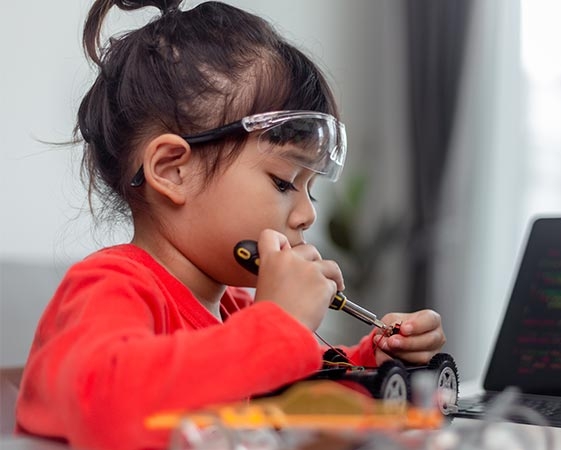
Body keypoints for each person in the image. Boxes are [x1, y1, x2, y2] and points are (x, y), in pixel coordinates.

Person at [15, 1, 446, 449]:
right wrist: (279, 324)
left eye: (310, 189)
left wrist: (376, 365)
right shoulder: (110, 288)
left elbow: (300, 400)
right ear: (172, 171)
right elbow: (106, 412)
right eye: (283, 182)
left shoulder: (239, 312)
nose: (308, 214)